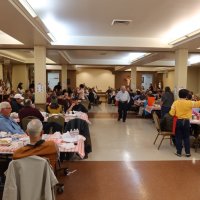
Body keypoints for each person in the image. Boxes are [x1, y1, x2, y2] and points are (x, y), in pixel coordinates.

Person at [169, 89, 200, 157]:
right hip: (186, 122)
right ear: (186, 96)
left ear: (179, 95)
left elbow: (171, 113)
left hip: (178, 121)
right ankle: (188, 153)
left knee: (178, 137)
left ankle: (179, 152)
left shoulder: (175, 102)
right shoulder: (189, 102)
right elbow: (198, 104)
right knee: (186, 137)